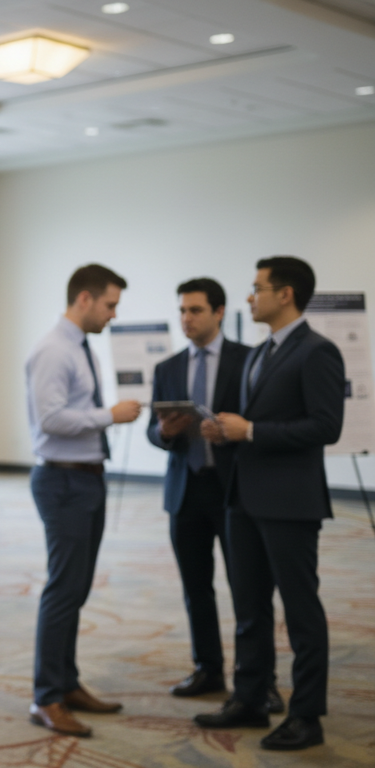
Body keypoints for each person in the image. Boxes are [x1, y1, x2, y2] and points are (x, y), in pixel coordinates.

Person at [194, 256, 343, 751]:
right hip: (244, 498)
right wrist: (227, 431)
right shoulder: (260, 353)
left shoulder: (318, 351)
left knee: (301, 611)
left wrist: (251, 429)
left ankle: (306, 715)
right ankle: (251, 697)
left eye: (257, 288)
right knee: (249, 608)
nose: (249, 297)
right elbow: (254, 425)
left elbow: (326, 427)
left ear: (286, 294)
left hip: (290, 503)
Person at [146, 279, 283, 710]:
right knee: (196, 588)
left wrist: (230, 431)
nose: (186, 318)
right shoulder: (167, 367)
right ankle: (207, 669)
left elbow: (258, 421)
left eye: (196, 310)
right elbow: (154, 430)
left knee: (250, 590)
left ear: (219, 312)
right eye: (182, 310)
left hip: (236, 490)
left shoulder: (249, 359)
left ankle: (260, 680)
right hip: (185, 491)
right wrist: (164, 432)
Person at [25, 264, 141, 737]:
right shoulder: (54, 350)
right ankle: (46, 697)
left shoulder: (78, 346)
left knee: (76, 589)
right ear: (85, 300)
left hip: (86, 479)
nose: (114, 315)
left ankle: (66, 682)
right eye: (110, 304)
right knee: (62, 590)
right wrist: (108, 416)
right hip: (63, 481)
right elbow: (50, 419)